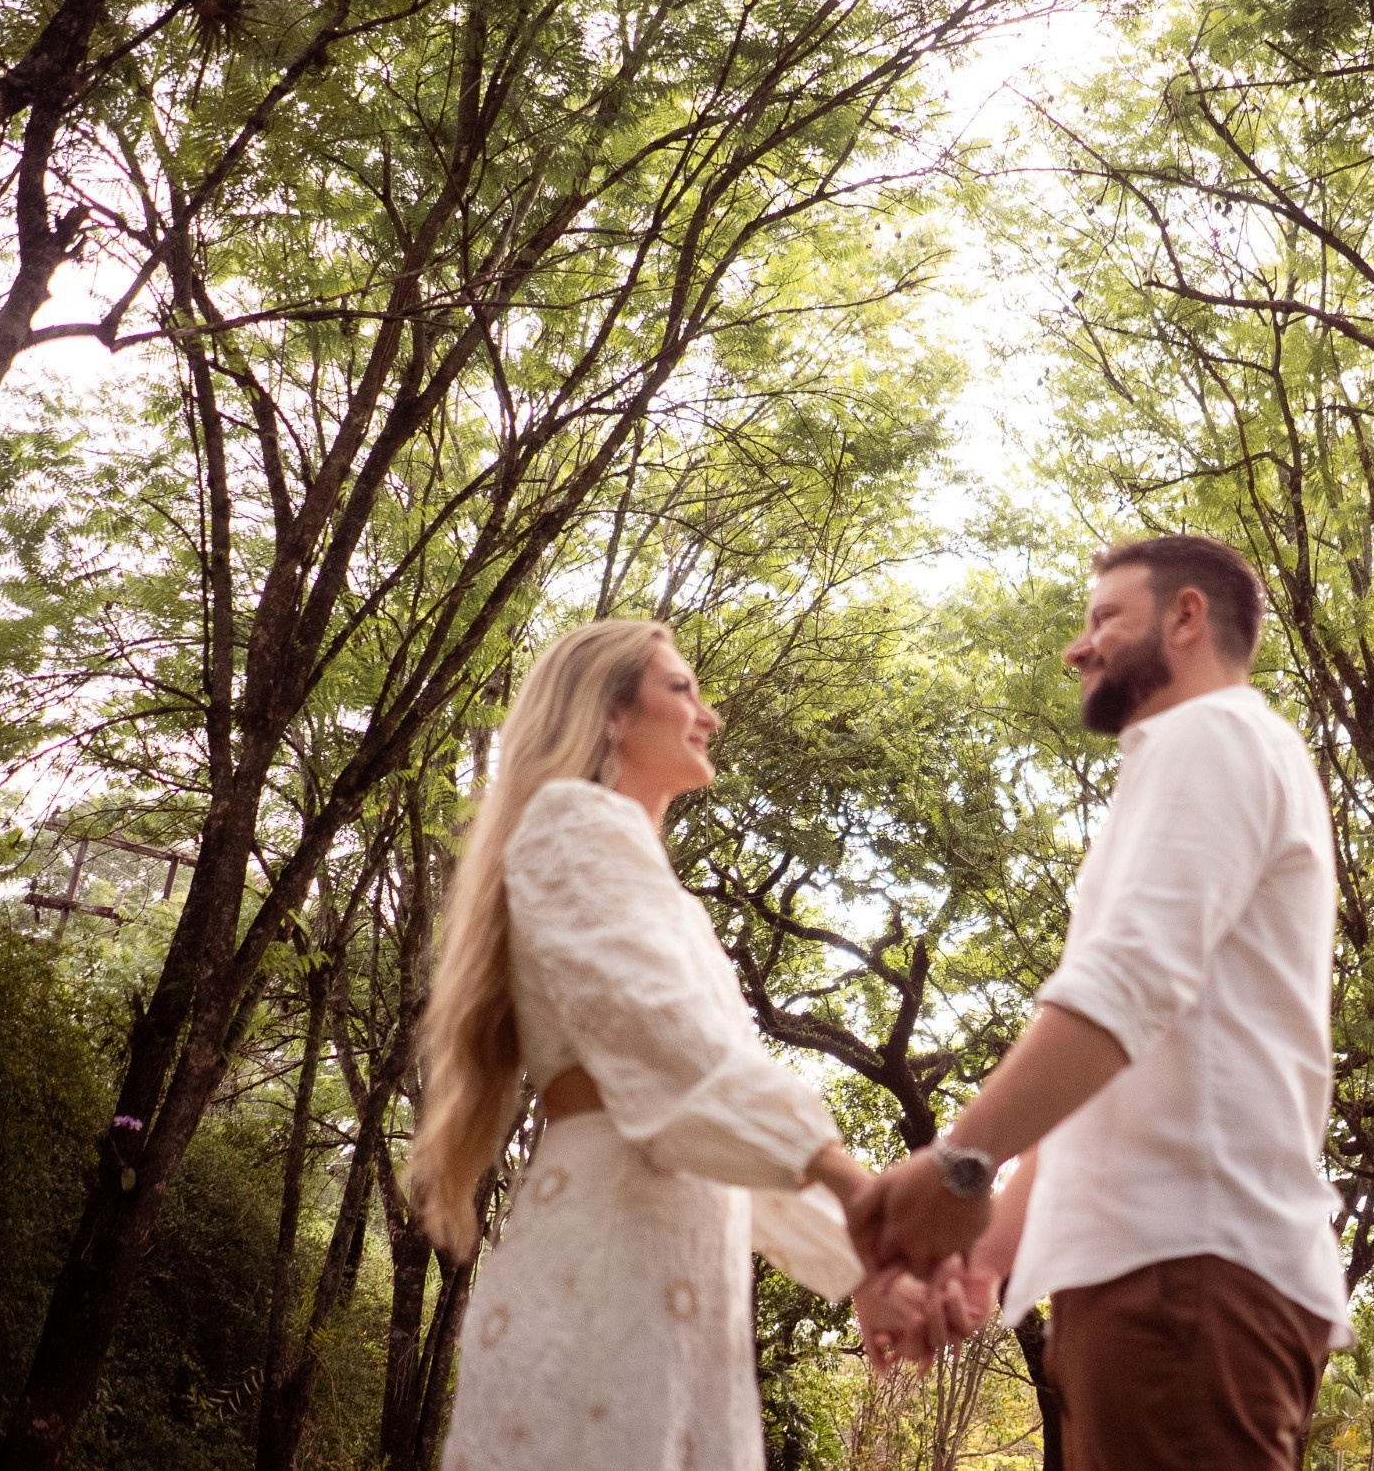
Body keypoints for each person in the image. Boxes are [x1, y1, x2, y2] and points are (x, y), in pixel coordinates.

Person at [410, 619, 963, 1471]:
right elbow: (672, 1059)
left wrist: (859, 1271)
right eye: (682, 689)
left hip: (677, 1284)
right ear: (609, 715)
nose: (710, 716)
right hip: (601, 1276)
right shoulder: (570, 824)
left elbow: (706, 1117)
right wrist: (852, 1185)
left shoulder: (651, 884)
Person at [850, 535, 1350, 1471]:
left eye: (1103, 619)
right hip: (1155, 1287)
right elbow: (1108, 1071)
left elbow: (1124, 985)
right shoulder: (1203, 761)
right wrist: (988, 1258)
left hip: (1185, 1287)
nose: (1077, 648)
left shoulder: (1213, 734)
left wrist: (959, 1162)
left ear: (1186, 617)